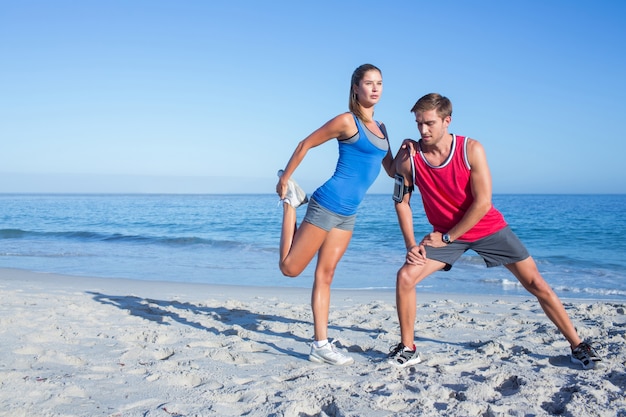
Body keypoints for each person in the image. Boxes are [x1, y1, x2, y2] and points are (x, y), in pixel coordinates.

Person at [387, 93, 603, 369]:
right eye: (418, 124)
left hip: (484, 227)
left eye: (429, 123)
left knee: (536, 284)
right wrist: (411, 245)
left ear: (447, 121)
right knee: (406, 276)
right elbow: (401, 201)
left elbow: (483, 203)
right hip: (445, 234)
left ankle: (577, 344)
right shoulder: (410, 158)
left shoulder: (471, 149)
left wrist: (447, 237)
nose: (423, 130)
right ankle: (408, 348)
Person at [276, 64, 395, 366]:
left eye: (379, 83)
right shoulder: (347, 121)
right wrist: (284, 178)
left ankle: (320, 345)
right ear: (356, 88)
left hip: (349, 213)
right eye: (368, 83)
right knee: (290, 269)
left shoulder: (382, 129)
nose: (375, 88)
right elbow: (306, 144)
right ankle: (292, 201)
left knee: (325, 276)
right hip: (327, 203)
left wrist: (413, 153)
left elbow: (393, 170)